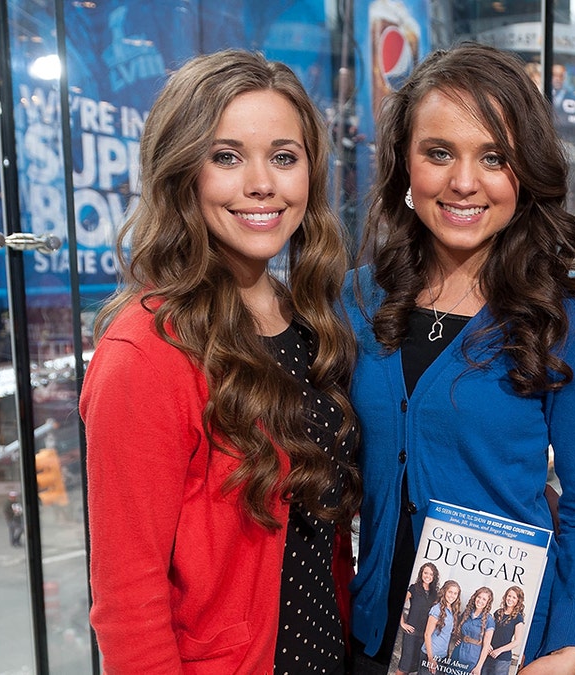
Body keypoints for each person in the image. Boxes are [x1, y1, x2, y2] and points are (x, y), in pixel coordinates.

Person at [80, 50, 361, 674]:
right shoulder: (146, 353)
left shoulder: (312, 324)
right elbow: (128, 600)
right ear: (183, 173)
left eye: (284, 157)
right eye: (226, 157)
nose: (262, 183)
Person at [348, 41, 575, 675]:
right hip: (368, 641)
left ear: (525, 175)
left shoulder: (569, 325)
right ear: (404, 165)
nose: (464, 182)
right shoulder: (354, 300)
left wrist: (571, 648)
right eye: (439, 153)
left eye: (493, 158)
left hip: (505, 653)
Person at [398, 563, 441, 675]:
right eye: (425, 573)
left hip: (424, 636)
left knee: (414, 668)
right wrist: (402, 623)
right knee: (404, 668)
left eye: (431, 574)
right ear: (421, 573)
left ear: (434, 576)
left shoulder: (435, 594)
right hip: (411, 634)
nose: (428, 576)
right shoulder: (413, 588)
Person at [421, 579, 462, 675]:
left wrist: (458, 639)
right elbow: (427, 634)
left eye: (455, 593)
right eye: (450, 592)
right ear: (444, 592)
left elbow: (447, 632)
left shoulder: (452, 611)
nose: (452, 596)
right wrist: (430, 658)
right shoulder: (436, 610)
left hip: (443, 656)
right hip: (431, 655)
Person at [482, 586, 526, 675]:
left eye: (514, 597)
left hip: (502, 660)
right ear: (505, 596)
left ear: (518, 601)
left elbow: (517, 641)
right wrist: (487, 644)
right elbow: (488, 630)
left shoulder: (518, 618)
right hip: (488, 654)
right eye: (509, 596)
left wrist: (499, 650)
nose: (510, 599)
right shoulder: (498, 613)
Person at [452, 586, 495, 674]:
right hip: (458, 653)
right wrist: (458, 638)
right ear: (475, 597)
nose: (480, 601)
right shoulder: (467, 613)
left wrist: (479, 667)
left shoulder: (489, 620)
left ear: (488, 603)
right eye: (479, 597)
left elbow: (486, 646)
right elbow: (458, 629)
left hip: (473, 657)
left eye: (484, 599)